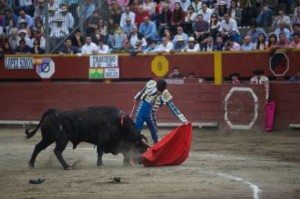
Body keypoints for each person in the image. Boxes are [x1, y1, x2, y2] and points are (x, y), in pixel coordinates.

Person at [134, 79, 188, 143]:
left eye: (161, 91)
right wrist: (136, 98)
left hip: (150, 115)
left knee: (155, 134)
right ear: (156, 86)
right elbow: (142, 91)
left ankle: (156, 149)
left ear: (164, 89)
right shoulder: (151, 84)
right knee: (135, 133)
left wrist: (184, 120)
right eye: (158, 89)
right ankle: (132, 149)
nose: (159, 92)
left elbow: (173, 108)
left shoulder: (165, 94)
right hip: (140, 112)